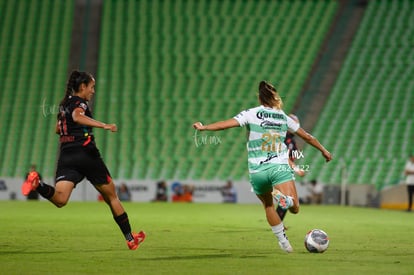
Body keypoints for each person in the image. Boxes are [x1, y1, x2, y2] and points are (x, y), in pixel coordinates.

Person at [192, 80, 332, 253]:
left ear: (259, 98)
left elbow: (225, 124)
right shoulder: (283, 116)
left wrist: (204, 127)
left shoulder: (251, 113)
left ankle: (284, 244)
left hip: (257, 171)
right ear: (275, 97)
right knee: (294, 208)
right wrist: (324, 151)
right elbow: (308, 137)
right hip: (279, 167)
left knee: (267, 206)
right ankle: (286, 200)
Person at [21, 70, 145, 250]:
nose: (93, 91)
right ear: (82, 87)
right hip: (86, 153)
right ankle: (130, 238)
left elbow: (58, 129)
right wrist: (104, 125)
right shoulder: (80, 104)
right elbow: (77, 117)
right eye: (92, 87)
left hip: (66, 155)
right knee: (112, 197)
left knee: (61, 199)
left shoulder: (64, 104)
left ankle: (37, 184)